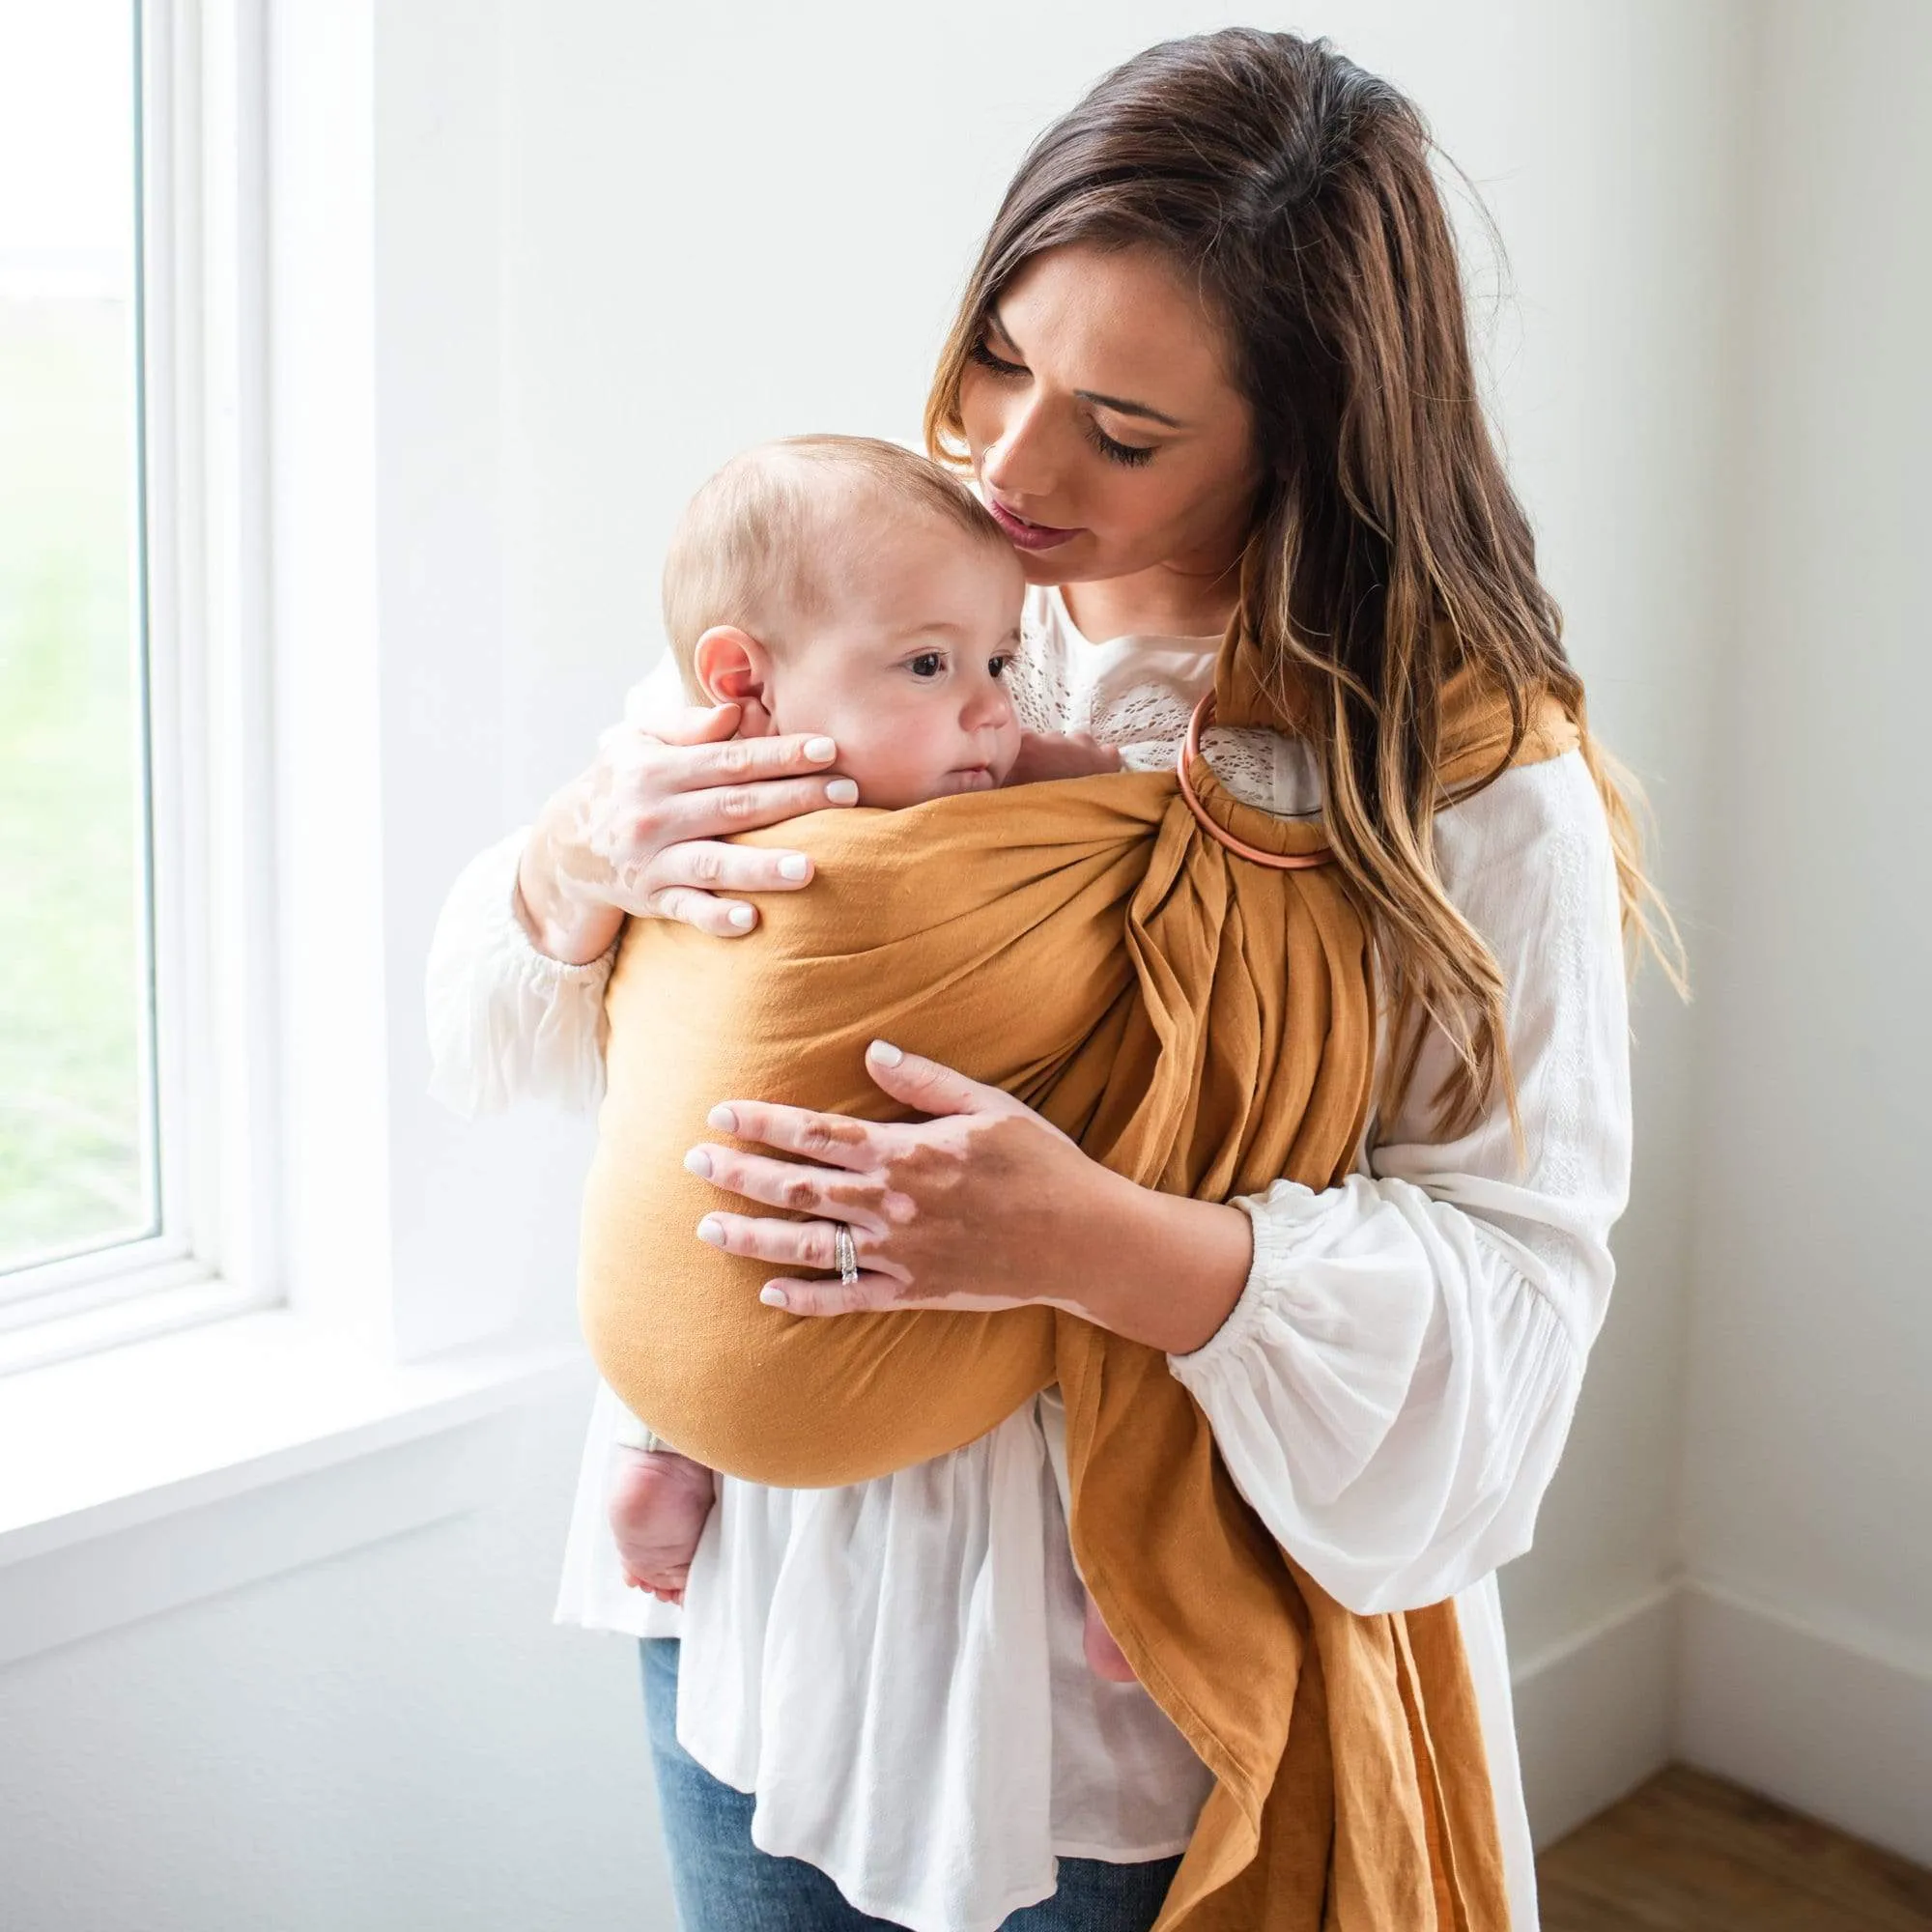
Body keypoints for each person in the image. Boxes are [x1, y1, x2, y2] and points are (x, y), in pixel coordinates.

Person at [427, 28, 1669, 1932]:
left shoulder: (1458, 783)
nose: (1007, 459)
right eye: (1004, 352)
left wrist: (1086, 1240)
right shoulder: (881, 595)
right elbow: (499, 1021)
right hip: (756, 1630)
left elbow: (1510, 1323)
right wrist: (585, 854)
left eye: (1122, 428)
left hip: (1111, 1735)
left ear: (1309, 427)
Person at [596, 430, 1135, 1684]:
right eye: (930, 665)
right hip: (724, 1285)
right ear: (746, 682)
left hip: (674, 1346)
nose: (995, 708)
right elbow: (1135, 825)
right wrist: (1101, 788)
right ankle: (1135, 1537)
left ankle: (661, 1448)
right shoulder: (712, 817)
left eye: (1001, 659)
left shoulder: (875, 766)